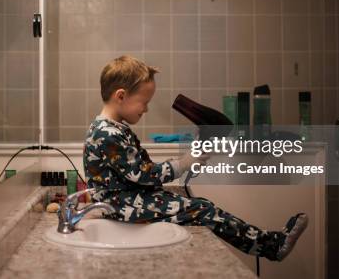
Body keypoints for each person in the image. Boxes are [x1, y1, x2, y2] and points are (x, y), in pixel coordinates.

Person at [83, 55, 308, 261]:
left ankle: (268, 242)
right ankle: (271, 246)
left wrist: (186, 159)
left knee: (202, 205)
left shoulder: (113, 129)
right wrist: (183, 164)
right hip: (120, 206)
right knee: (203, 210)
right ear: (121, 96)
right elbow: (143, 174)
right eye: (144, 102)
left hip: (127, 201)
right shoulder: (108, 134)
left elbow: (139, 170)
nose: (146, 109)